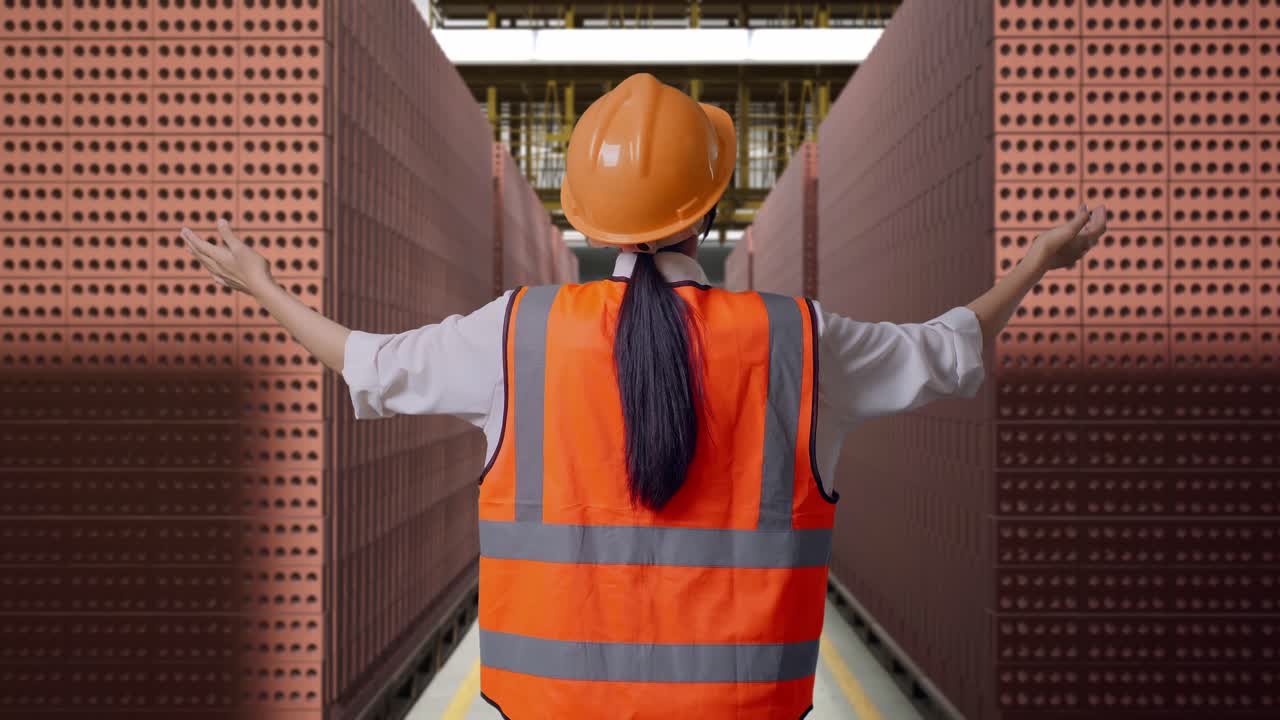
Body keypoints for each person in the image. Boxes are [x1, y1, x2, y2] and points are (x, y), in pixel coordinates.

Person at [180, 72, 1106, 719]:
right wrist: (1032, 265)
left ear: (584, 218)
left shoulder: (514, 334)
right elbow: (948, 349)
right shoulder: (800, 342)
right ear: (709, 212)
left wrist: (263, 287)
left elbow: (366, 360)